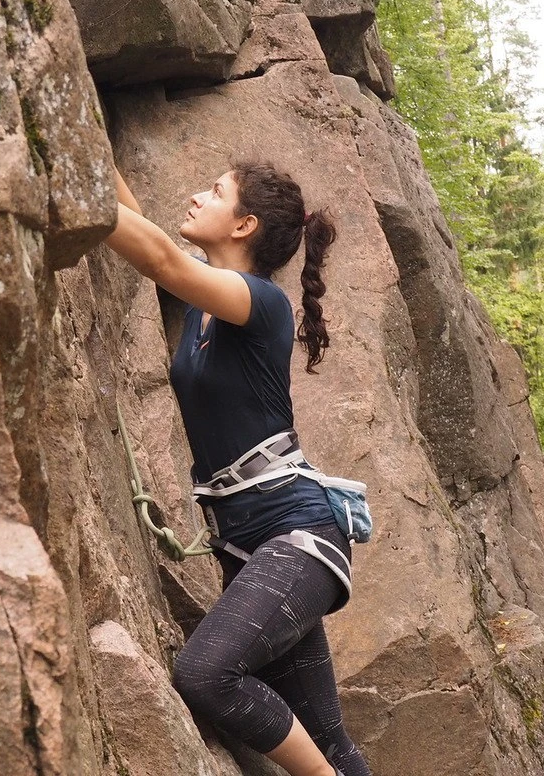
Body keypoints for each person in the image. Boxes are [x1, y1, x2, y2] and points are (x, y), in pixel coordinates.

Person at [106, 161, 371, 776]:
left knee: (205, 675)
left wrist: (64, 179)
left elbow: (161, 262)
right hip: (245, 542)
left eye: (216, 191)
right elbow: (148, 235)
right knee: (328, 736)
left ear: (244, 224)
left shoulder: (262, 303)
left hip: (296, 536)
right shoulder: (205, 301)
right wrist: (91, 153)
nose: (197, 195)